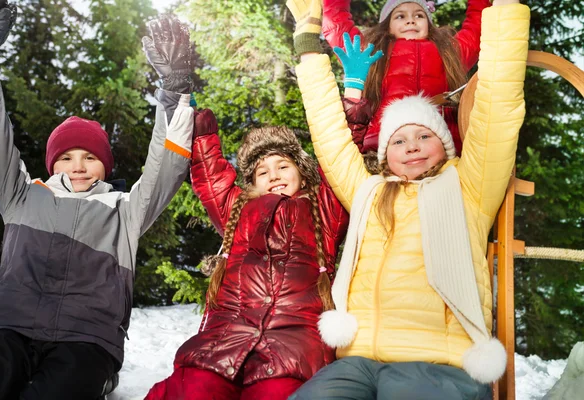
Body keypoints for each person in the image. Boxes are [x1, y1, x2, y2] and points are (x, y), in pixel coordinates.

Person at [286, 0, 529, 398]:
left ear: (447, 143)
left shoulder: (469, 186)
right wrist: (309, 45)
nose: (412, 147)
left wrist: (502, 10)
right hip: (358, 361)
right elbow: (328, 132)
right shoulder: (366, 190)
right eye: (398, 140)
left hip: (438, 364)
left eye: (424, 136)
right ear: (384, 152)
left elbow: (498, 104)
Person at [0, 8, 194, 400]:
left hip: (87, 340)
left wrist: (175, 90)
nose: (78, 167)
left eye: (89, 157)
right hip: (9, 328)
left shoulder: (125, 210)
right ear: (51, 165)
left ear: (105, 165)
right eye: (66, 158)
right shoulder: (21, 196)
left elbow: (168, 165)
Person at [144, 107, 349, 399]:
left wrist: (352, 114)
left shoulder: (323, 211)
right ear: (252, 184)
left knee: (279, 393)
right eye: (262, 172)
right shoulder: (238, 210)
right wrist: (202, 137)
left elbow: (341, 162)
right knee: (196, 388)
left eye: (283, 166)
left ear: (303, 174)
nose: (274, 175)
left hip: (293, 343)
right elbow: (211, 179)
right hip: (228, 334)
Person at [322, 0, 491, 167]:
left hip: (443, 146)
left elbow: (477, 28)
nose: (410, 20)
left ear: (429, 24)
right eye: (400, 16)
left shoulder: (449, 52)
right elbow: (338, 25)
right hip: (384, 147)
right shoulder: (372, 53)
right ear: (387, 26)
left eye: (419, 15)